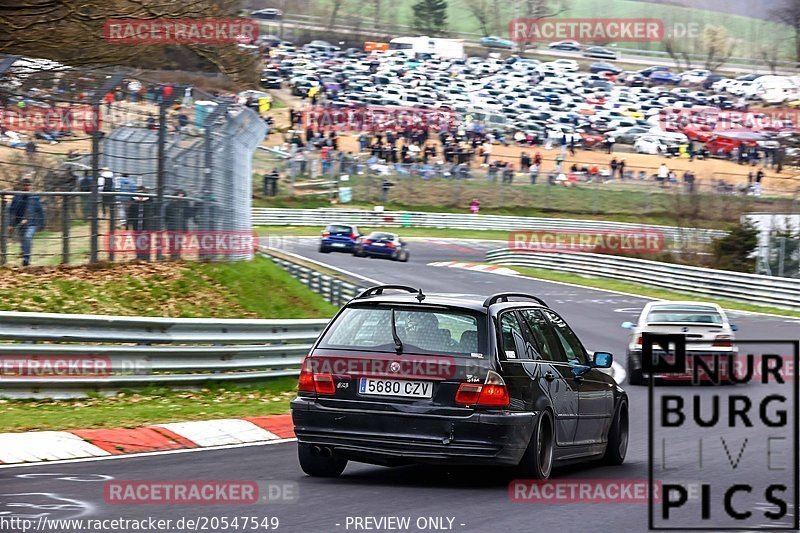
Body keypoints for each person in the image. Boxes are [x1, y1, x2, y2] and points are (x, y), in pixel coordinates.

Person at [7, 178, 45, 267]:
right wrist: (10, 224)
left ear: (31, 186)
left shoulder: (34, 197)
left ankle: (26, 259)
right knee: (23, 242)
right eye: (25, 185)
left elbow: (41, 210)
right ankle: (25, 257)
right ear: (22, 186)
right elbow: (11, 211)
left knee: (27, 237)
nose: (26, 186)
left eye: (28, 185)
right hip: (20, 224)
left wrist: (42, 223)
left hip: (32, 223)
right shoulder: (17, 197)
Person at [126, 186, 156, 261]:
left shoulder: (150, 201)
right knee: (137, 241)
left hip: (146, 226)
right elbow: (129, 214)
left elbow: (154, 214)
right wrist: (128, 224)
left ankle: (146, 257)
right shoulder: (133, 202)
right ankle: (139, 256)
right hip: (136, 226)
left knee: (146, 241)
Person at [165, 189, 193, 260]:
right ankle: (172, 255)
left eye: (182, 195)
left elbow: (188, 215)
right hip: (172, 226)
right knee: (172, 241)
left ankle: (177, 255)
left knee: (179, 241)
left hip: (181, 225)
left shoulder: (186, 204)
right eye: (179, 195)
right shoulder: (170, 204)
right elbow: (167, 214)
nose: (180, 196)